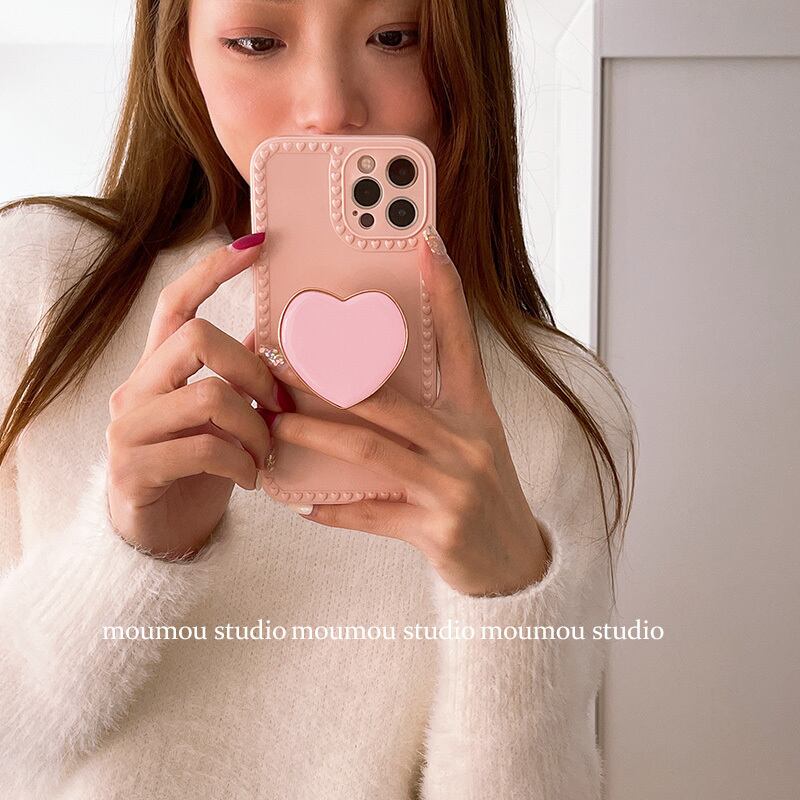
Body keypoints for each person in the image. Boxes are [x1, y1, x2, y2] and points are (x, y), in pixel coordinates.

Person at [0, 1, 636, 798]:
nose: (330, 109)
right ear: (180, 51)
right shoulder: (40, 289)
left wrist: (510, 606)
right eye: (257, 42)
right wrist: (126, 553)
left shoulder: (556, 408)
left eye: (395, 37)